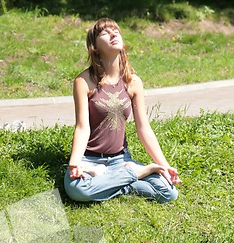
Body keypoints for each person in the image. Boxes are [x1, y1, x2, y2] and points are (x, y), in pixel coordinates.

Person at [64, 18, 182, 204]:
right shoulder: (84, 81)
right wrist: (75, 163)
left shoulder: (133, 82)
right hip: (91, 161)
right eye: (105, 32)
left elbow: (144, 129)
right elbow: (82, 127)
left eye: (116, 30)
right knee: (77, 191)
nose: (113, 34)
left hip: (121, 159)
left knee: (169, 192)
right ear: (94, 47)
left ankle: (112, 181)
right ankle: (131, 175)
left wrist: (164, 166)